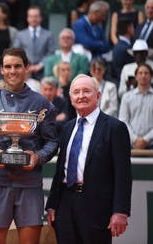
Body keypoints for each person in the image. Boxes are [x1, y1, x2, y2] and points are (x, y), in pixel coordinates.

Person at [0, 47, 58, 244]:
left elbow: (52, 141)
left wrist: (38, 157)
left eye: (17, 66)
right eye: (8, 67)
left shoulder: (42, 104)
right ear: (2, 70)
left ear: (27, 68)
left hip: (30, 183)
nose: (12, 71)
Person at [46, 74, 132, 244]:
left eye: (87, 91)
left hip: (97, 207)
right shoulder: (67, 128)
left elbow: (123, 174)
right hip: (65, 206)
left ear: (98, 96)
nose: (81, 96)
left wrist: (120, 211)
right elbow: (59, 171)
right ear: (70, 99)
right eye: (76, 92)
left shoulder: (115, 128)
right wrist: (52, 204)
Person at [13, 6, 55, 80]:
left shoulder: (48, 34)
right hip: (25, 72)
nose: (33, 19)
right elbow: (16, 53)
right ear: (27, 18)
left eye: (36, 16)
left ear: (40, 18)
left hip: (43, 72)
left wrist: (40, 65)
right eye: (31, 16)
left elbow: (51, 53)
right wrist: (25, 65)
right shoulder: (20, 35)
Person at [119, 63, 153, 149]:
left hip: (151, 144)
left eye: (146, 73)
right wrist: (135, 139)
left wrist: (146, 139)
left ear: (151, 76)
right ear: (136, 76)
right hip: (130, 144)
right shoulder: (127, 97)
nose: (143, 75)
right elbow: (123, 121)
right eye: (140, 73)